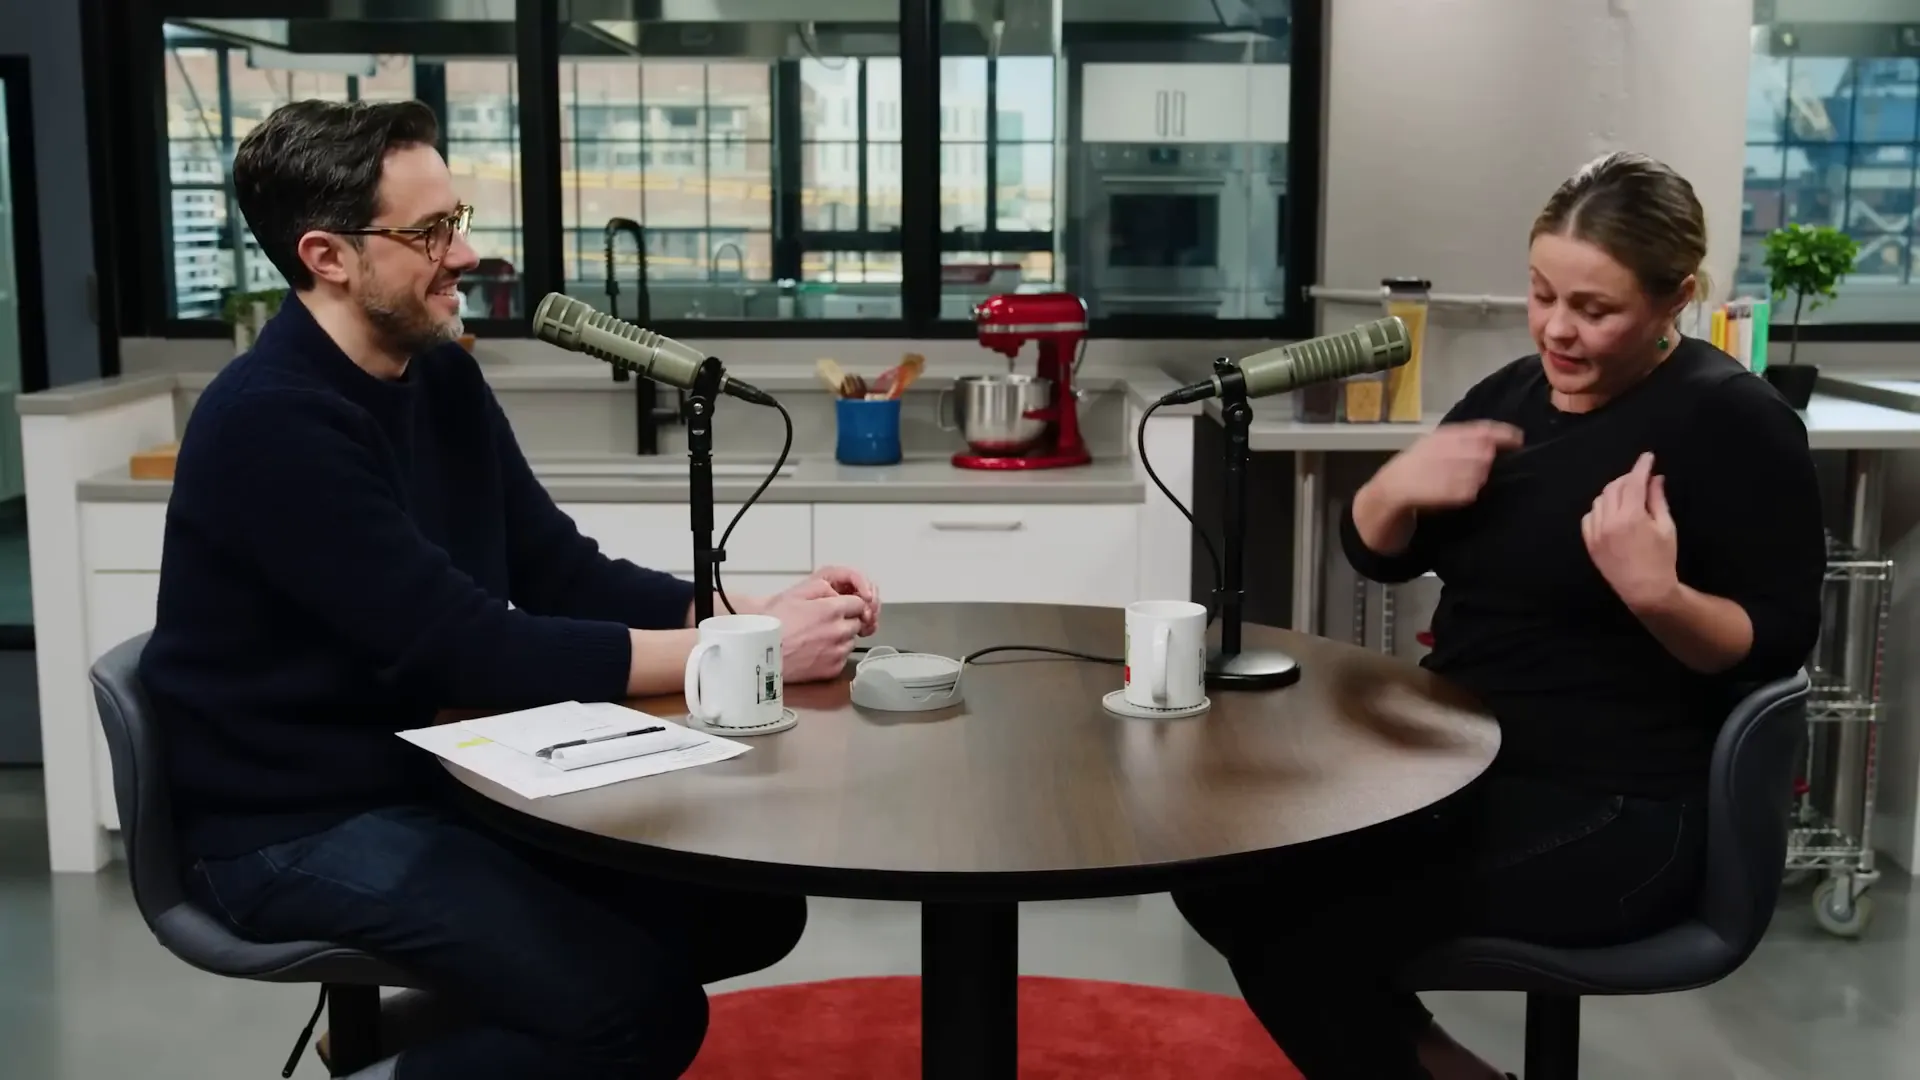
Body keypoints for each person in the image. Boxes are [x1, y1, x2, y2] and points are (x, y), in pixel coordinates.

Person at [139, 99, 883, 1080]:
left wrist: (744, 617)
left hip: (431, 773)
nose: (467, 252)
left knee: (744, 907)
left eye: (459, 217)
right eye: (429, 232)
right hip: (289, 824)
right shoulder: (273, 422)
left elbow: (555, 567)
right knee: (632, 1011)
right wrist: (739, 657)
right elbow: (464, 647)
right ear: (326, 256)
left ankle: (443, 1029)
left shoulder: (435, 373)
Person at [1173, 151, 1827, 1080]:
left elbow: (1779, 645)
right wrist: (1392, 489)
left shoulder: (1733, 421)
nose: (1558, 330)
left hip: (1621, 808)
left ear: (1676, 297)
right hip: (1459, 772)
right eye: (1540, 293)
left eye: (1595, 310)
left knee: (1297, 931)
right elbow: (1379, 554)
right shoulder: (1514, 394)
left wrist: (1660, 596)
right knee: (1224, 874)